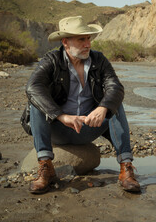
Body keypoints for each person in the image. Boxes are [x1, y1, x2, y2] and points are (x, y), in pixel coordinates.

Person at [22, 16, 140, 194]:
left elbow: (115, 87)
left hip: (89, 126)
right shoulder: (52, 60)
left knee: (115, 105)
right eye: (81, 39)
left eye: (88, 38)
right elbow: (32, 87)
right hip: (58, 128)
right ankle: (46, 167)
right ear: (65, 42)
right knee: (36, 104)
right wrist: (61, 116)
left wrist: (102, 108)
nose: (88, 44)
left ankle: (126, 168)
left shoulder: (99, 60)